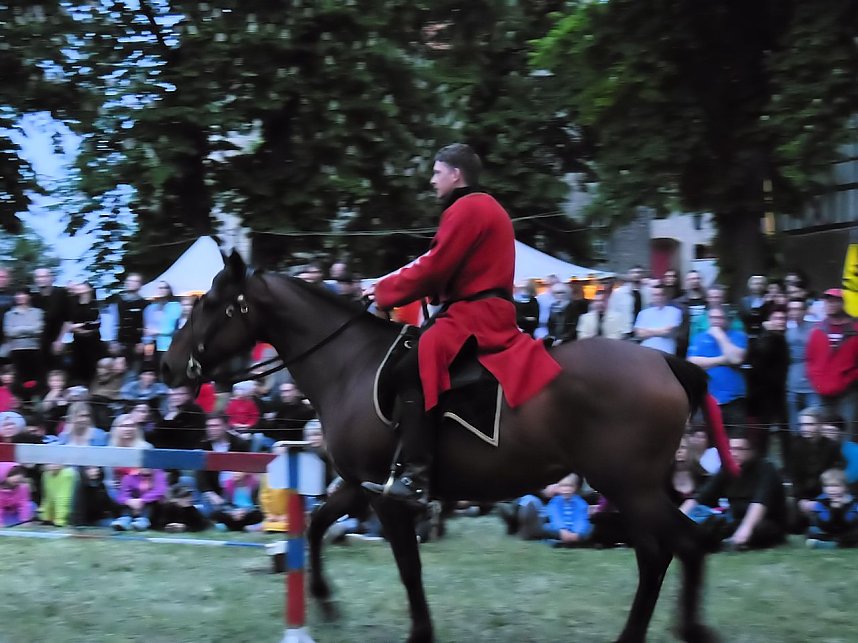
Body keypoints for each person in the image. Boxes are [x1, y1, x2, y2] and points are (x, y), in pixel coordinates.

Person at [361, 143, 562, 506]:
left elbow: (436, 265)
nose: (432, 180)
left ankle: (417, 477)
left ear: (456, 174)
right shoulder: (482, 207)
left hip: (474, 317)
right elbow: (445, 268)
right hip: (476, 310)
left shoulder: (467, 207)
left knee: (410, 369)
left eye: (437, 172)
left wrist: (383, 291)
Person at [681, 435, 787, 551]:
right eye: (731, 449)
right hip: (734, 521)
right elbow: (699, 497)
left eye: (739, 449)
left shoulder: (766, 469)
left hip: (764, 522)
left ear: (752, 451)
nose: (734, 453)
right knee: (710, 523)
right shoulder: (726, 469)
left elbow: (759, 502)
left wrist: (746, 529)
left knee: (760, 529)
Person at [806, 288, 858, 439]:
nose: (831, 304)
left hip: (848, 393)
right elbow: (810, 360)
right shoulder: (817, 330)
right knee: (823, 436)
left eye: (835, 301)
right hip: (822, 394)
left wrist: (847, 379)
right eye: (828, 301)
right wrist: (817, 381)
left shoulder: (855, 330)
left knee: (847, 433)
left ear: (843, 303)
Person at [687, 306, 749, 432]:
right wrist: (723, 360)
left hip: (733, 401)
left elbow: (736, 359)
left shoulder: (738, 336)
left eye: (719, 317)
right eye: (712, 317)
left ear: (727, 319)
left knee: (736, 443)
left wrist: (720, 337)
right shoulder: (699, 338)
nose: (715, 321)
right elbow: (692, 363)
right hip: (707, 400)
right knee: (708, 445)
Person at [785, 298, 820, 433]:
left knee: (813, 425)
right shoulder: (787, 330)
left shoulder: (815, 328)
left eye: (798, 309)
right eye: (792, 309)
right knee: (795, 427)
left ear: (805, 311)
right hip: (792, 386)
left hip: (812, 386)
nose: (795, 312)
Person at [3, 288, 44, 397]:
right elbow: (9, 332)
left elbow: (38, 330)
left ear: (28, 296)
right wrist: (28, 329)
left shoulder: (37, 312)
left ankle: (34, 399)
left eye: (23, 294)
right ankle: (22, 400)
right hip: (16, 349)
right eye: (18, 295)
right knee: (19, 377)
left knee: (34, 377)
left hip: (33, 348)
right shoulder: (9, 314)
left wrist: (19, 329)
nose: (20, 297)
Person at [30, 267, 70, 374]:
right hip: (40, 343)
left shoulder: (61, 293)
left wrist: (60, 340)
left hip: (58, 340)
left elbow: (68, 319)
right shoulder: (34, 298)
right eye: (38, 276)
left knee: (58, 372)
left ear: (51, 278)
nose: (41, 279)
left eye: (44, 276)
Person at [806, 468, 858, 549]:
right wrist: (834, 510)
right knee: (811, 531)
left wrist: (841, 508)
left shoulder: (850, 501)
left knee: (854, 535)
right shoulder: (821, 501)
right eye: (827, 485)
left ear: (844, 487)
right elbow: (825, 523)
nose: (831, 489)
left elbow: (849, 522)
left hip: (846, 531)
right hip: (828, 530)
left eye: (836, 485)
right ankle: (835, 542)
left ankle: (831, 545)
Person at [544, 473, 592, 547]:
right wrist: (562, 529)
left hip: (575, 531)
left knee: (590, 528)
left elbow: (581, 519)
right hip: (560, 530)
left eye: (570, 486)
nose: (566, 489)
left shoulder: (580, 502)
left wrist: (576, 533)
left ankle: (571, 541)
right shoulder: (555, 502)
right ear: (558, 488)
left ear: (575, 488)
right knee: (546, 527)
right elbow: (555, 517)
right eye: (563, 486)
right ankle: (562, 541)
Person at [68, 282, 102, 386]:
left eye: (83, 285)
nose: (80, 287)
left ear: (89, 289)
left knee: (93, 366)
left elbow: (97, 323)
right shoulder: (72, 304)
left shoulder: (95, 304)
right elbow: (68, 324)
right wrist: (78, 328)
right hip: (78, 341)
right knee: (79, 367)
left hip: (93, 340)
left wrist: (81, 326)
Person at [633, 283, 682, 354]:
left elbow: (668, 331)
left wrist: (647, 330)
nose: (658, 297)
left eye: (661, 294)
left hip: (667, 352)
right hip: (646, 352)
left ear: (665, 296)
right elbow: (639, 334)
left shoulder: (675, 311)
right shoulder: (643, 313)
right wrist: (660, 330)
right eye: (655, 295)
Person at [114, 272, 146, 371]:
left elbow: (146, 324)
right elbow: (113, 321)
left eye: (135, 281)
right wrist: (114, 341)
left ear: (140, 285)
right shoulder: (118, 301)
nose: (132, 283)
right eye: (130, 281)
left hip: (137, 344)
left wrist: (143, 342)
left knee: (135, 370)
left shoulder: (144, 303)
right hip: (120, 343)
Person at [607, 265, 649, 338]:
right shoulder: (618, 293)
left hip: (643, 332)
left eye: (639, 272)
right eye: (633, 272)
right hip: (624, 332)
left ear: (643, 275)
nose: (636, 275)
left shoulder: (648, 292)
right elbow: (612, 313)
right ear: (629, 274)